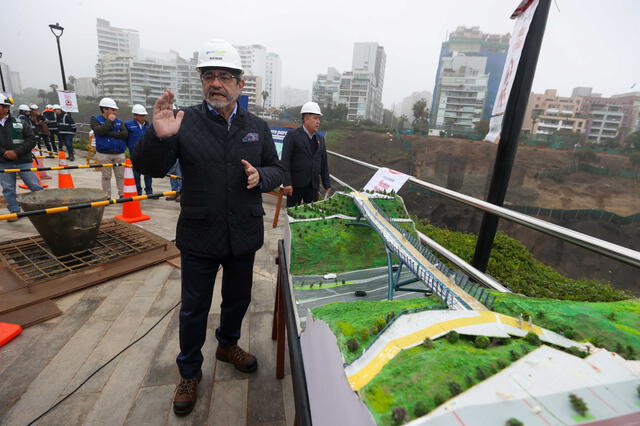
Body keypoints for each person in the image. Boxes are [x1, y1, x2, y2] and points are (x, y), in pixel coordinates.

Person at [132, 38, 284, 416]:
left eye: (224, 77)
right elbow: (148, 168)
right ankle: (188, 371)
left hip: (243, 233)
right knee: (194, 308)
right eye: (208, 76)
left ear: (240, 85)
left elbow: (279, 171)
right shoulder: (184, 122)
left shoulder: (257, 128)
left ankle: (227, 344)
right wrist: (157, 136)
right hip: (200, 233)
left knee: (238, 299)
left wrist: (260, 177)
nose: (215, 83)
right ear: (202, 82)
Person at [0, 94, 42, 221]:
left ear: (5, 108)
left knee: (34, 185)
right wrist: (4, 153)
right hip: (3, 162)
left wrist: (16, 152)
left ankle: (41, 206)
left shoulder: (20, 122)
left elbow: (31, 140)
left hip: (23, 161)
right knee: (8, 188)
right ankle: (14, 210)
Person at [281, 101, 331, 207]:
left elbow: (323, 163)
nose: (318, 122)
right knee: (292, 215)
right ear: (306, 119)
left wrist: (327, 183)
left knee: (310, 214)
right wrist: (287, 183)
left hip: (313, 186)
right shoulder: (293, 136)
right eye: (315, 118)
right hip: (295, 185)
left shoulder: (320, 139)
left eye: (319, 119)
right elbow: (285, 161)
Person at [90, 97, 128, 198]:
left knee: (120, 176)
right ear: (104, 109)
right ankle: (107, 196)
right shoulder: (95, 119)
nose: (115, 112)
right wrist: (109, 122)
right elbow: (99, 131)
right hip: (104, 154)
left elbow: (124, 134)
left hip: (119, 153)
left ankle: (123, 194)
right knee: (106, 176)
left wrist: (109, 133)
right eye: (113, 109)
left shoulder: (119, 121)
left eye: (115, 110)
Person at [125, 104, 153, 195]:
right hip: (135, 154)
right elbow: (125, 138)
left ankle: (149, 191)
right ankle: (138, 191)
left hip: (147, 154)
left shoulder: (149, 126)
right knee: (136, 174)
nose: (143, 117)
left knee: (148, 174)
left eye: (144, 115)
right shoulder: (128, 125)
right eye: (141, 115)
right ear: (135, 115)